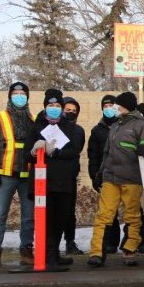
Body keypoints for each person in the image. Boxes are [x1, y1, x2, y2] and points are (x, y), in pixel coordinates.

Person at [88, 92, 144, 267]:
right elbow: (106, 153)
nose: (115, 108)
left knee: (132, 216)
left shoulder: (141, 125)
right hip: (111, 177)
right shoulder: (115, 126)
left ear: (127, 106)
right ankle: (96, 252)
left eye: (118, 105)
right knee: (104, 215)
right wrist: (100, 173)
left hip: (132, 178)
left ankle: (129, 250)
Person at [30, 89, 83, 267]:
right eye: (50, 105)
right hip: (43, 183)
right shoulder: (36, 126)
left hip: (64, 182)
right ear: (45, 107)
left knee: (61, 219)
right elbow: (26, 156)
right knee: (46, 221)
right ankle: (47, 256)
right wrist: (34, 150)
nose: (54, 108)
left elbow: (74, 151)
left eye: (57, 106)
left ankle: (54, 253)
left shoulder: (71, 128)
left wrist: (55, 152)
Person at [0, 82, 36, 267]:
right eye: (15, 93)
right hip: (5, 176)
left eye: (23, 93)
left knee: (28, 216)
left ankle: (26, 251)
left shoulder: (33, 119)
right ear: (9, 96)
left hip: (27, 176)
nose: (19, 96)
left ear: (28, 96)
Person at [87, 95, 123, 255]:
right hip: (106, 174)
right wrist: (94, 175)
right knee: (109, 211)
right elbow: (92, 154)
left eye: (111, 105)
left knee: (133, 210)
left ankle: (135, 242)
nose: (108, 108)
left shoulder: (125, 125)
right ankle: (110, 242)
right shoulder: (97, 130)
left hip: (126, 173)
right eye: (105, 105)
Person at [59, 96, 86, 255]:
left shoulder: (78, 130)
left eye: (74, 111)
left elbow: (75, 150)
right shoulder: (51, 128)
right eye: (67, 110)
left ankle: (70, 242)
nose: (71, 113)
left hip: (69, 176)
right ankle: (51, 245)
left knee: (69, 212)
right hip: (53, 176)